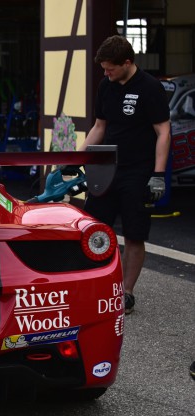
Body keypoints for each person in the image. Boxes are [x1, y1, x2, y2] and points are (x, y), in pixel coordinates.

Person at [79, 35, 171, 315]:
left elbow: (163, 132)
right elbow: (99, 126)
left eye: (110, 69)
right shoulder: (106, 86)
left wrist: (158, 175)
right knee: (93, 230)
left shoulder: (150, 88)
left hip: (138, 171)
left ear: (127, 63)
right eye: (104, 69)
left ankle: (126, 293)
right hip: (107, 169)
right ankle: (97, 288)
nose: (106, 74)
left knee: (133, 234)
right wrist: (78, 157)